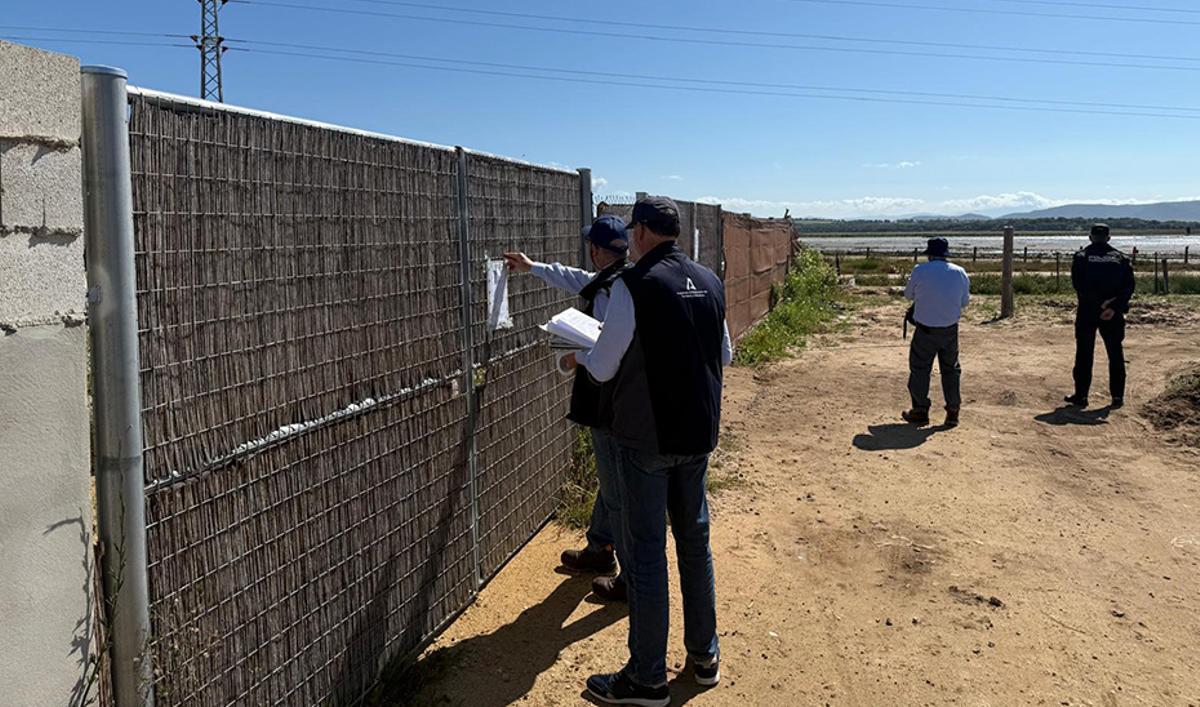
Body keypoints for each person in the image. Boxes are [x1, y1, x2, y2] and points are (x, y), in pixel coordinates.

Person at [564, 196, 732, 707]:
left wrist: (577, 357)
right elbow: (724, 352)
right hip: (698, 433)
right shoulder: (709, 280)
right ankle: (704, 658)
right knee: (694, 542)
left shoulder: (634, 284)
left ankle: (646, 678)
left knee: (645, 551)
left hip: (649, 436)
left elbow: (605, 366)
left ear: (639, 232)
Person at [503, 215, 633, 602]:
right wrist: (532, 267)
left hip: (609, 396)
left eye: (590, 246)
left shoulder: (615, 291)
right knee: (611, 479)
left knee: (616, 488)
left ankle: (631, 576)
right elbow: (574, 277)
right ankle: (599, 549)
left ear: (597, 249)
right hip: (613, 396)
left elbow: (613, 350)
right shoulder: (614, 279)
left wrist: (576, 355)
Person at [902, 237, 971, 428]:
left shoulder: (920, 271)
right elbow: (964, 302)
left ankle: (920, 410)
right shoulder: (960, 272)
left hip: (925, 329)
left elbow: (908, 295)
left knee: (919, 369)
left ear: (930, 255)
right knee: (951, 370)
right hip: (950, 329)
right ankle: (953, 412)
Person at [1065, 224, 1135, 409]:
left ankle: (1081, 396)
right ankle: (1117, 397)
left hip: (1087, 311)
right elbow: (1129, 287)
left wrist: (1099, 305)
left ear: (1090, 237)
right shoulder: (1121, 258)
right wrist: (1113, 306)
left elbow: (1078, 285)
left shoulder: (1081, 257)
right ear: (1109, 238)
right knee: (1115, 353)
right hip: (1113, 313)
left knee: (1084, 353)